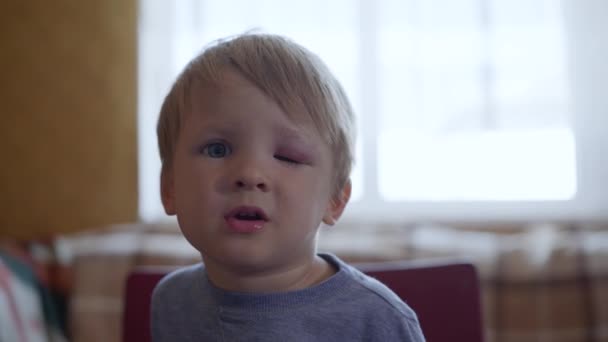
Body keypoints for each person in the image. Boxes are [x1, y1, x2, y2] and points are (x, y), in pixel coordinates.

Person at [151, 32, 425, 341]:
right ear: (169, 187)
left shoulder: (377, 321)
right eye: (217, 149)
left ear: (335, 200)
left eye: (287, 157)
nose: (250, 174)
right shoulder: (171, 302)